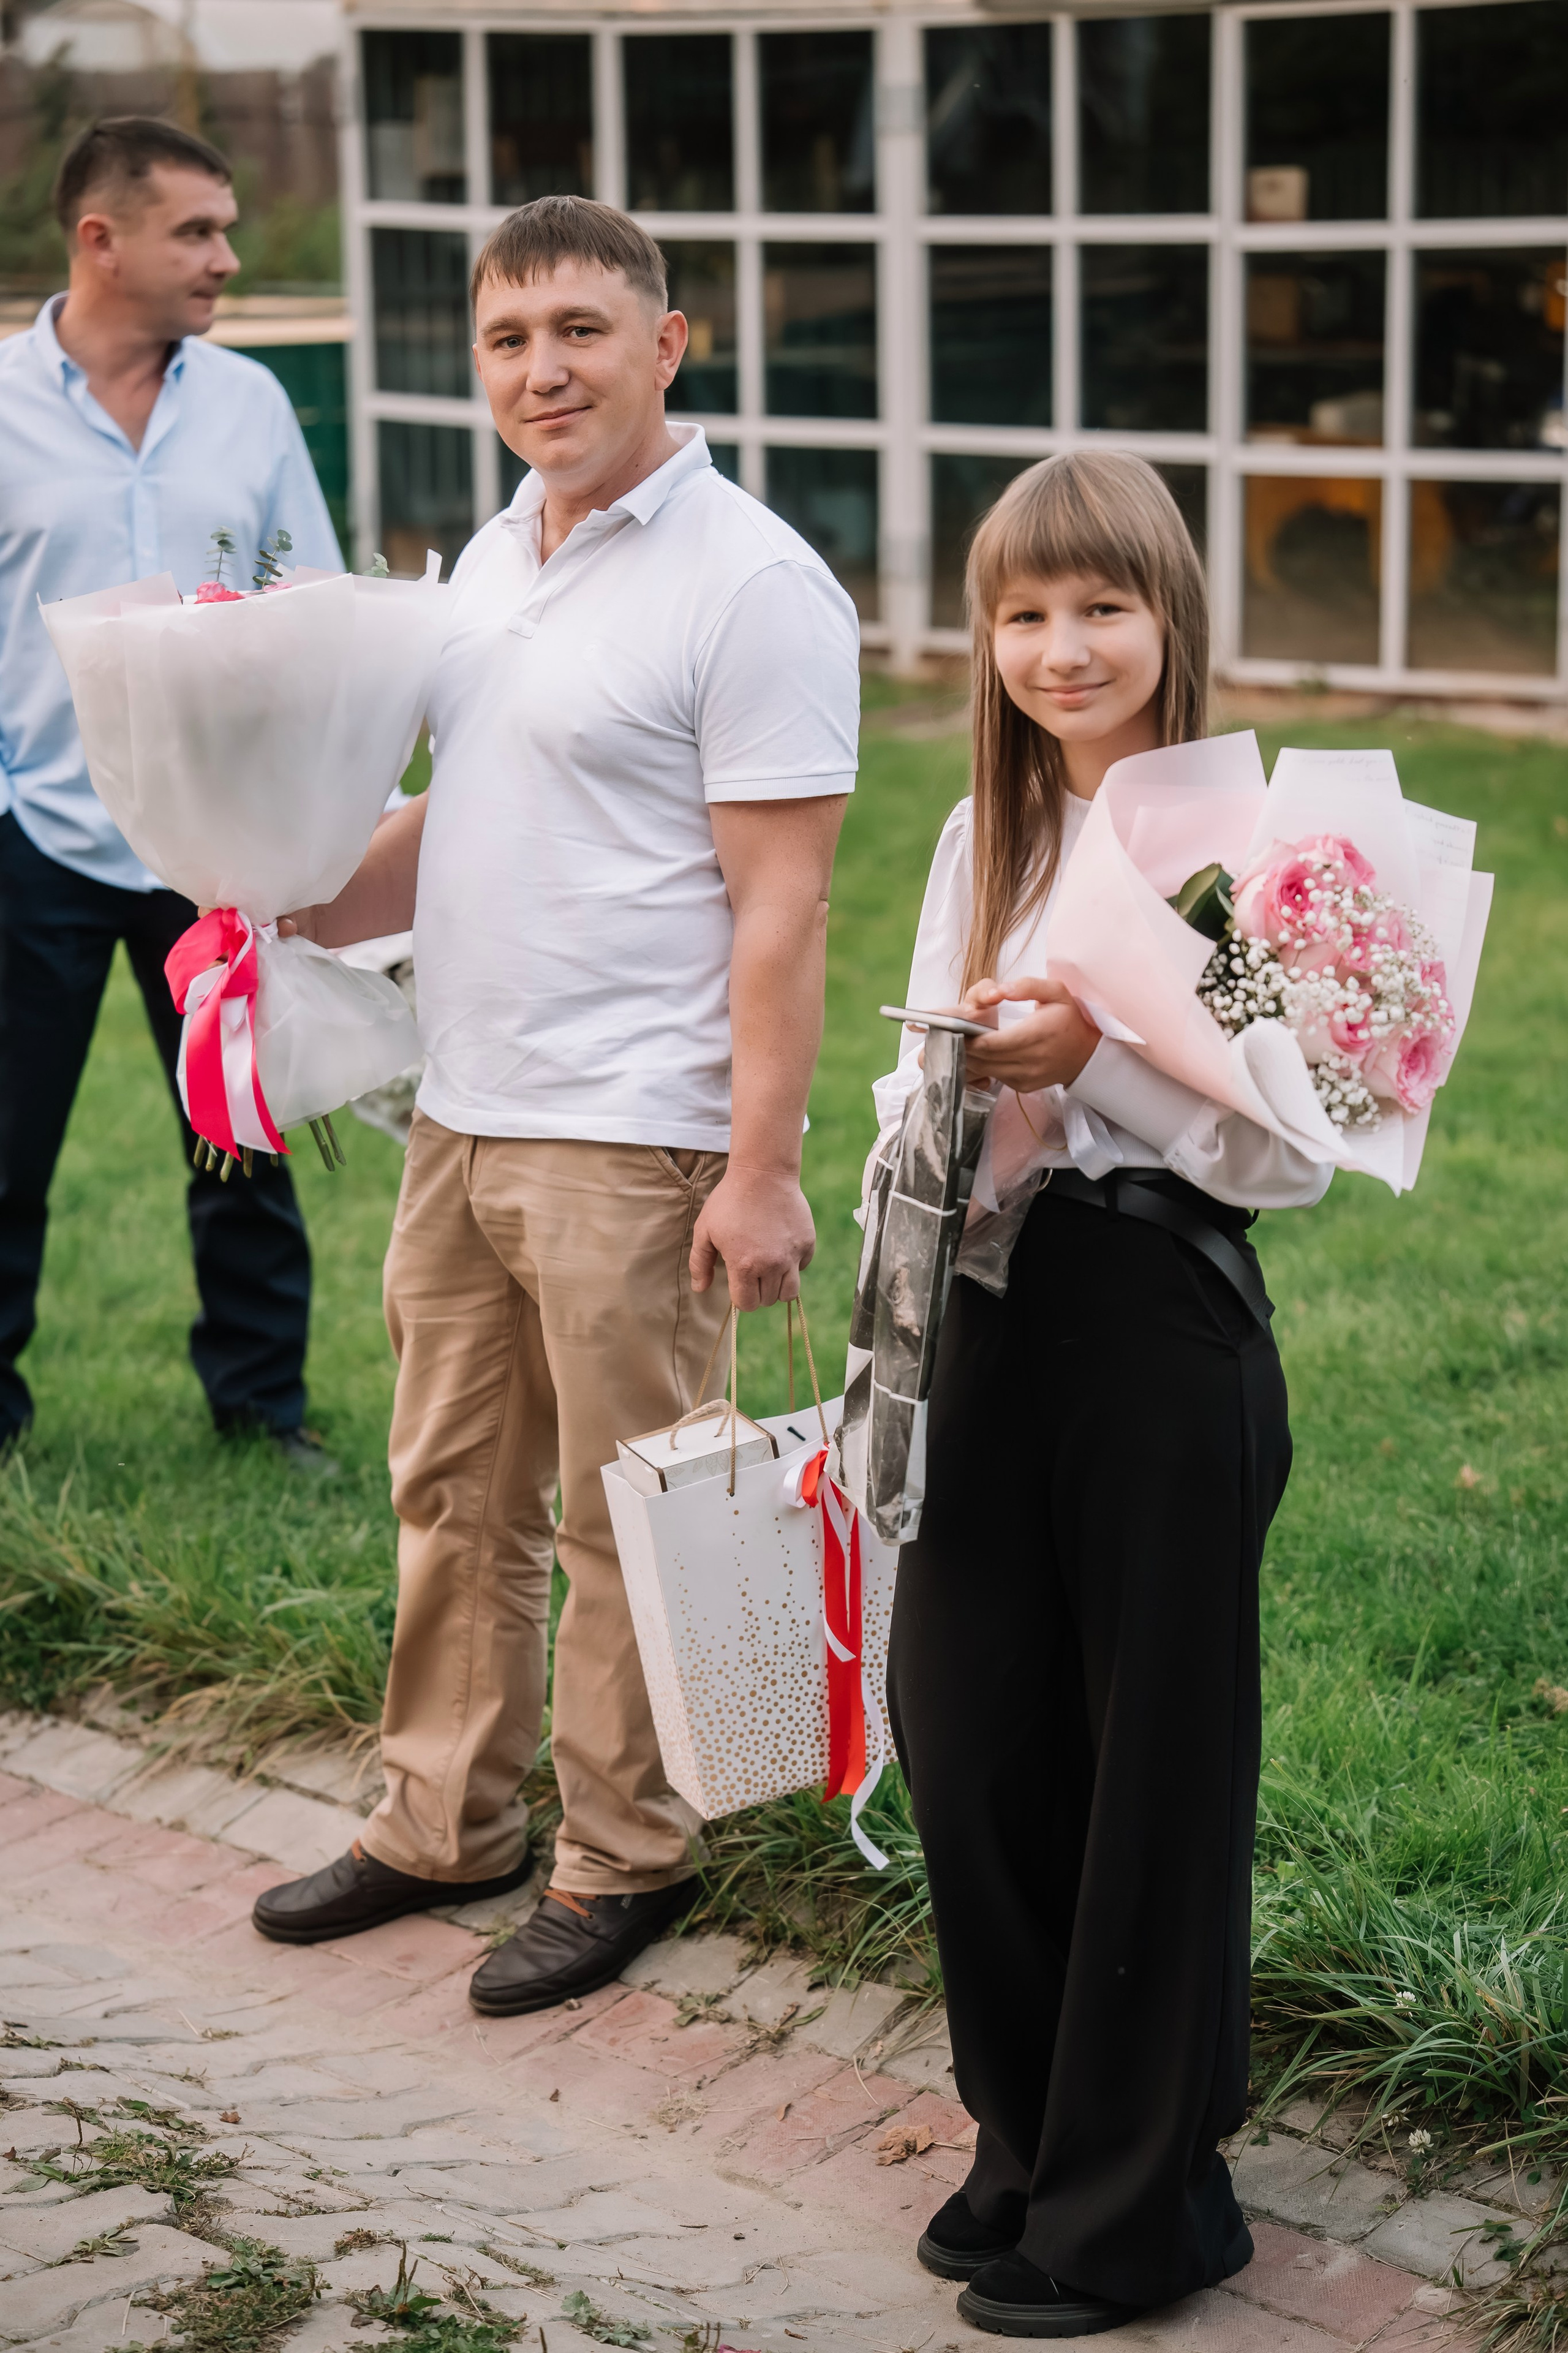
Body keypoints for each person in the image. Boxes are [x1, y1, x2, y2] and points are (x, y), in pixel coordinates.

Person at [251, 197, 860, 2009]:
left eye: (583, 332)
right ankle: (445, 1819)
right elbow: (476, 815)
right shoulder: (489, 560)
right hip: (466, 1109)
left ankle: (625, 1854)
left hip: (637, 1131)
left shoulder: (751, 583)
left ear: (666, 346)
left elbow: (784, 899)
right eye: (511, 338)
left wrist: (758, 1165)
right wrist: (286, 890)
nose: (543, 371)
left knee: (622, 1518)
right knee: (452, 1491)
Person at [875, 454, 1335, 2338]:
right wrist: (887, 1320)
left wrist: (1114, 1063)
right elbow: (922, 1095)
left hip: (1161, 1327)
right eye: (1025, 614)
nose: (1062, 649)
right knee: (970, 1741)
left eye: (1100, 609)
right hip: (984, 1321)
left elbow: (1294, 1150)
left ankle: (1149, 2200)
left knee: (1149, 1768)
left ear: (1170, 619)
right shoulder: (976, 833)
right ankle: (1031, 2125)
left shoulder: (1242, 848)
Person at [0, 117, 342, 1463]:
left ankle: (263, 1409)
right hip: (39, 839)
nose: (227, 257)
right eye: (197, 231)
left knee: (242, 1141)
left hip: (212, 853)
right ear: (102, 240)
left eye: (226, 227)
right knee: (5, 1149)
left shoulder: (251, 403)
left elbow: (307, 593)